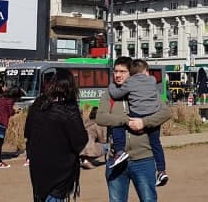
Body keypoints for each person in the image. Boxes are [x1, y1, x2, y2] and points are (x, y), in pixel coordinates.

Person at [98, 57, 172, 202]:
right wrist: (125, 120)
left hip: (143, 160)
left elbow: (166, 112)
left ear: (131, 74)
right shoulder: (111, 93)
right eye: (115, 71)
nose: (118, 75)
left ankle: (161, 171)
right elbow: (100, 118)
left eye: (122, 71)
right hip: (117, 161)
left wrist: (144, 122)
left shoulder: (147, 91)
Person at [24, 68, 87, 202]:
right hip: (60, 171)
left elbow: (27, 132)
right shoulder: (68, 109)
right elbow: (80, 141)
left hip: (38, 168)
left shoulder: (38, 104)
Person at [0, 87, 21, 168]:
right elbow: (10, 112)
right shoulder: (10, 100)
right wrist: (15, 111)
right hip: (1, 123)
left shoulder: (1, 97)